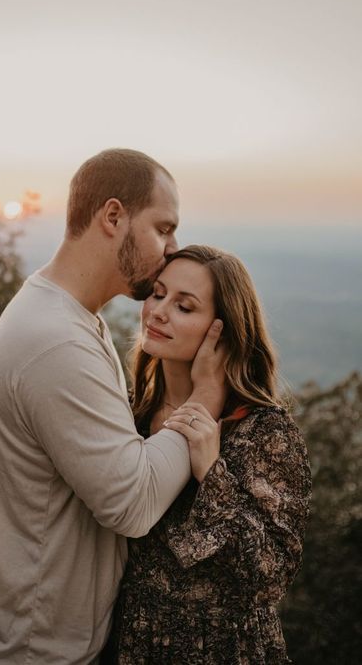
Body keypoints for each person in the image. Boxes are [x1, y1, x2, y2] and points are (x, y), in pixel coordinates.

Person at [0, 150, 226, 665]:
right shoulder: (57, 341)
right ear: (113, 217)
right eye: (163, 228)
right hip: (22, 654)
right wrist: (204, 398)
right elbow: (133, 504)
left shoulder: (66, 317)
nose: (172, 248)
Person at [105, 245, 312, 664]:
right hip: (130, 649)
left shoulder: (263, 430)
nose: (159, 312)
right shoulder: (127, 416)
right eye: (158, 294)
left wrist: (211, 475)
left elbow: (270, 576)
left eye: (184, 306)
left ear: (224, 330)